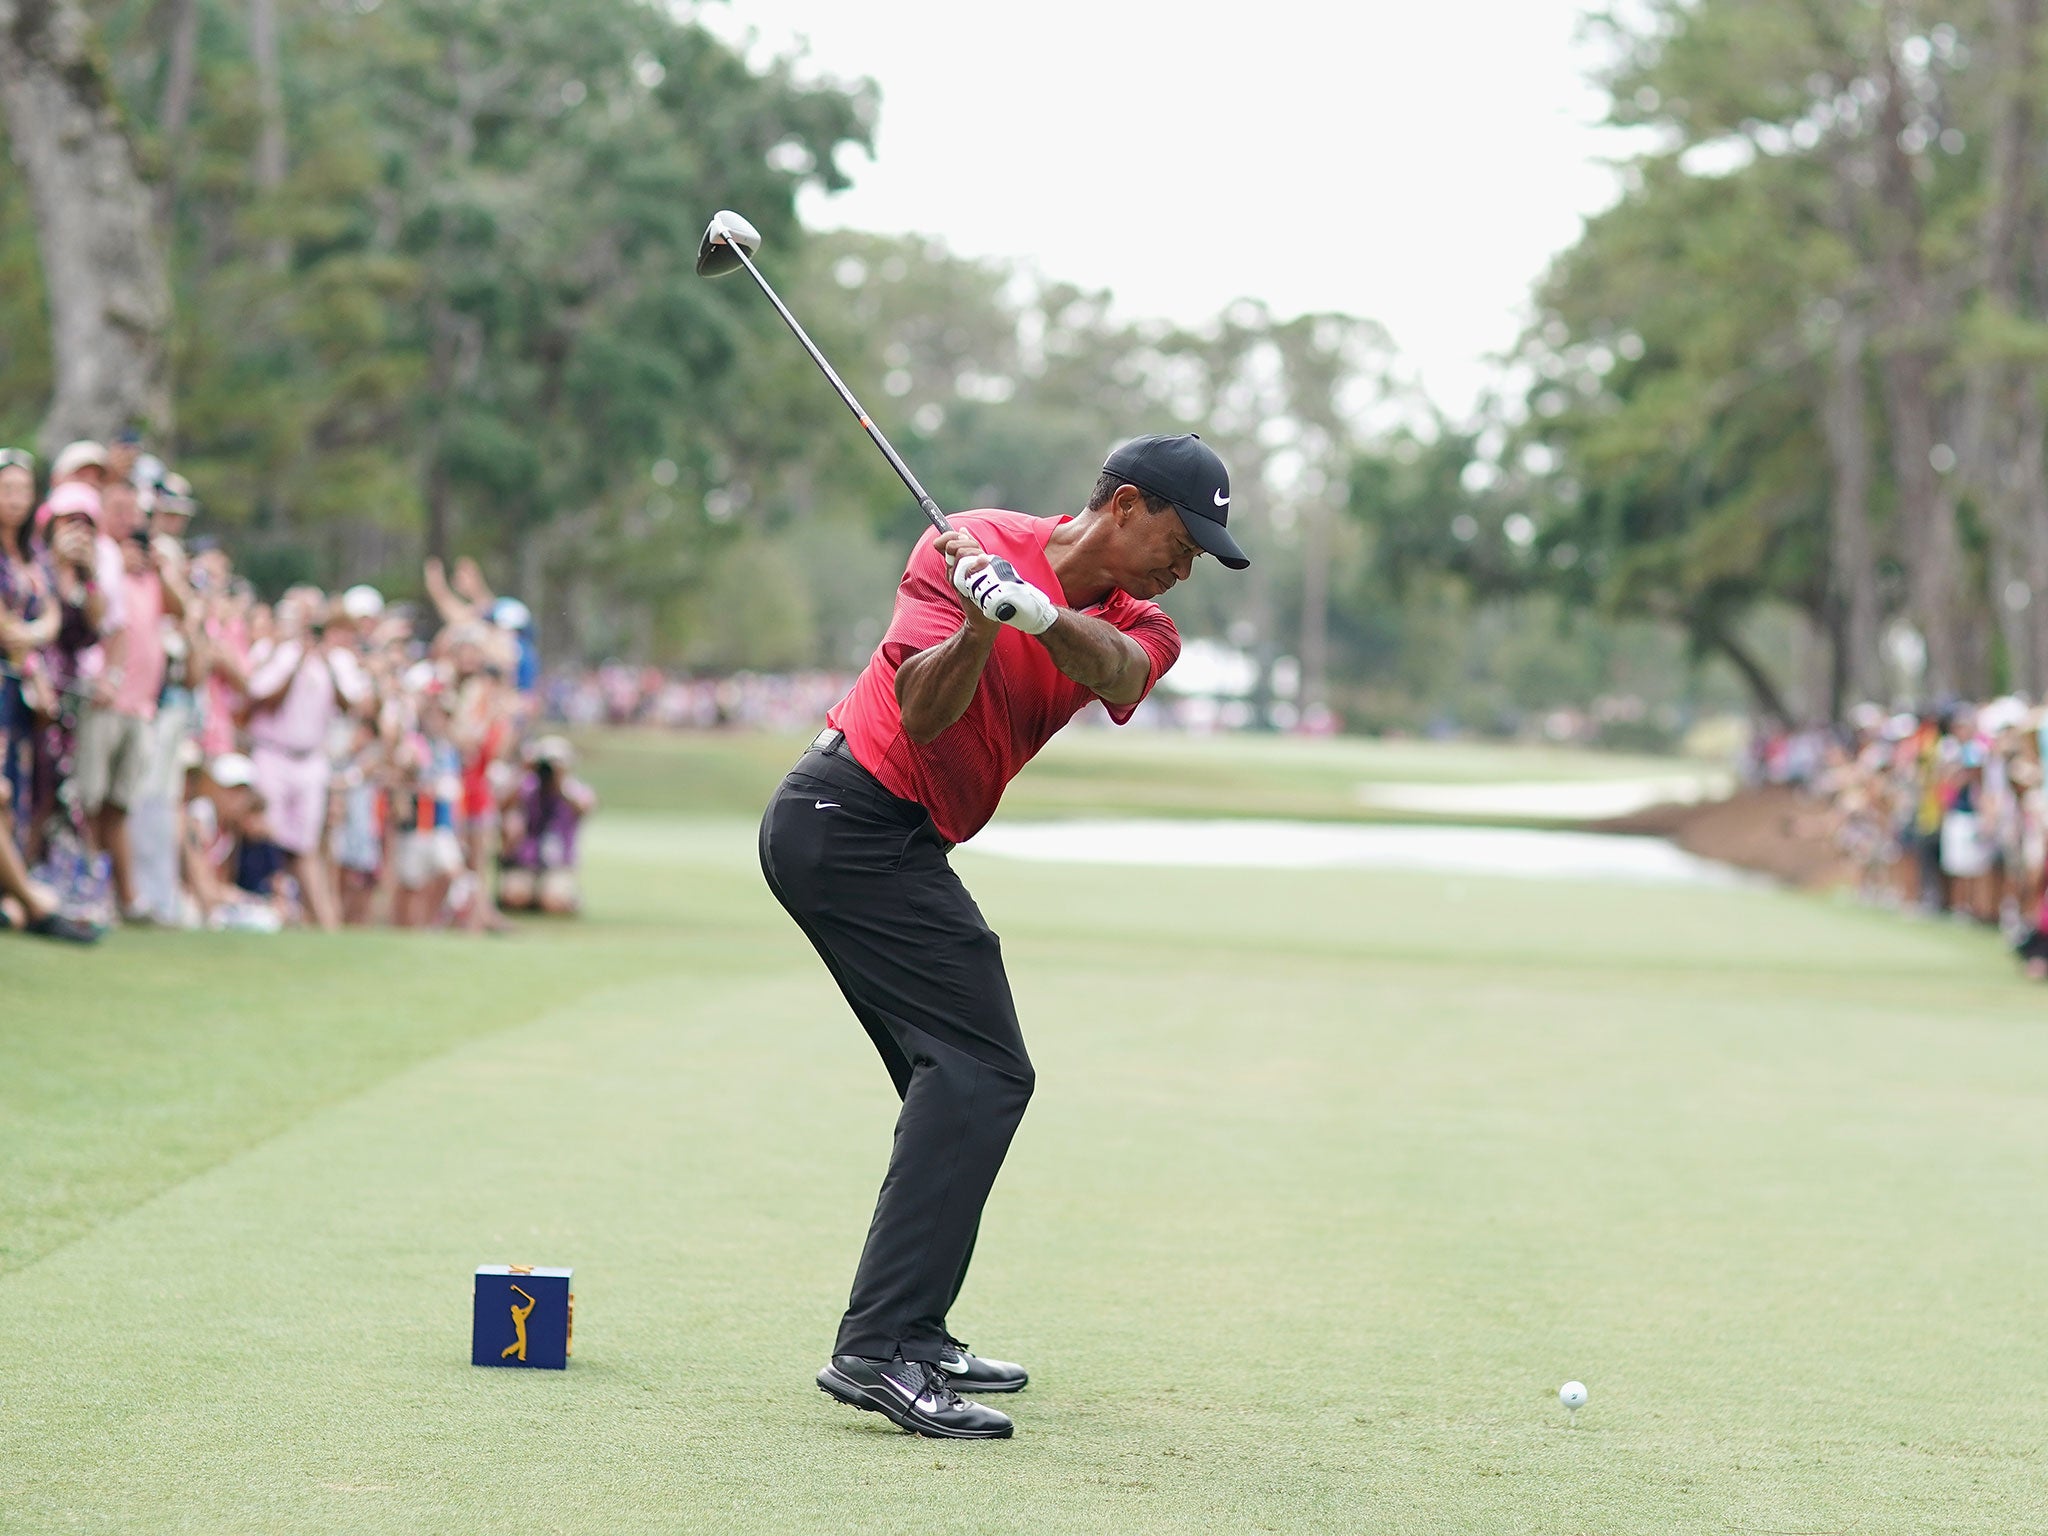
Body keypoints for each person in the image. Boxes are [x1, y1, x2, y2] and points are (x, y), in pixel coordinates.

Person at [759, 433, 1247, 1439]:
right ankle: (878, 1349)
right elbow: (924, 714)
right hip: (844, 819)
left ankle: (914, 1328)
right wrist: (981, 624)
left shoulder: (1142, 621)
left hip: (887, 840)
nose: (1185, 562)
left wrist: (1038, 614)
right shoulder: (967, 542)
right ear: (1121, 506)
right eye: (1180, 535)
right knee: (980, 1072)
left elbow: (1115, 671)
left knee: (958, 1080)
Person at [498, 735, 594, 914]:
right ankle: (534, 895)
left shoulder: (574, 789)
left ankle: (564, 897)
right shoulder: (526, 788)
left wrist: (560, 783)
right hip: (526, 861)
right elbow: (501, 806)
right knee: (515, 896)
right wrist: (523, 771)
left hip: (558, 864)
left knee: (553, 901)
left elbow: (584, 808)